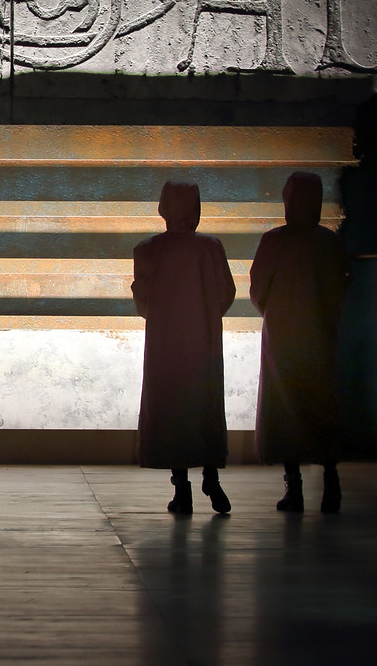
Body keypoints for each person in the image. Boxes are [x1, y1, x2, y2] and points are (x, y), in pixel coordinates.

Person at [133, 180, 236, 515]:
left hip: (165, 344)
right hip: (203, 341)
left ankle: (181, 490)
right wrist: (204, 316)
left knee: (172, 410)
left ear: (163, 207)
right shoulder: (211, 247)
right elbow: (226, 293)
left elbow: (143, 303)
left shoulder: (148, 249)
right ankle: (211, 477)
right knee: (204, 407)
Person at [252, 172, 350, 513]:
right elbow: (342, 287)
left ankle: (293, 489)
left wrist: (277, 313)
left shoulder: (273, 241)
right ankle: (331, 483)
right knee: (322, 405)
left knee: (285, 408)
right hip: (321, 335)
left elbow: (258, 289)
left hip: (282, 336)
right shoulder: (329, 242)